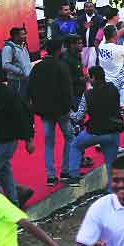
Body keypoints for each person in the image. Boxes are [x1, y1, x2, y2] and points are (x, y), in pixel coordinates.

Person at [26, 38, 74, 187]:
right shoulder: (61, 66)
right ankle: (66, 170)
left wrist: (36, 108)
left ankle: (51, 175)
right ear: (59, 50)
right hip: (61, 110)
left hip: (44, 111)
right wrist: (68, 108)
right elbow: (67, 90)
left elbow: (30, 90)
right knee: (70, 137)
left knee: (49, 142)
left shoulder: (37, 68)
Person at [69, 65, 124, 187]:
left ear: (93, 78)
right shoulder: (114, 86)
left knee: (75, 146)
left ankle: (73, 176)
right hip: (113, 132)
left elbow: (78, 117)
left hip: (94, 132)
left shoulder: (87, 94)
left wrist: (69, 113)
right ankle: (112, 192)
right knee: (111, 165)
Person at [0, 66, 34, 207]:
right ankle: (14, 204)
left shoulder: (7, 94)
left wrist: (29, 139)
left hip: (6, 142)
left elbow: (22, 115)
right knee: (4, 172)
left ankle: (0, 208)